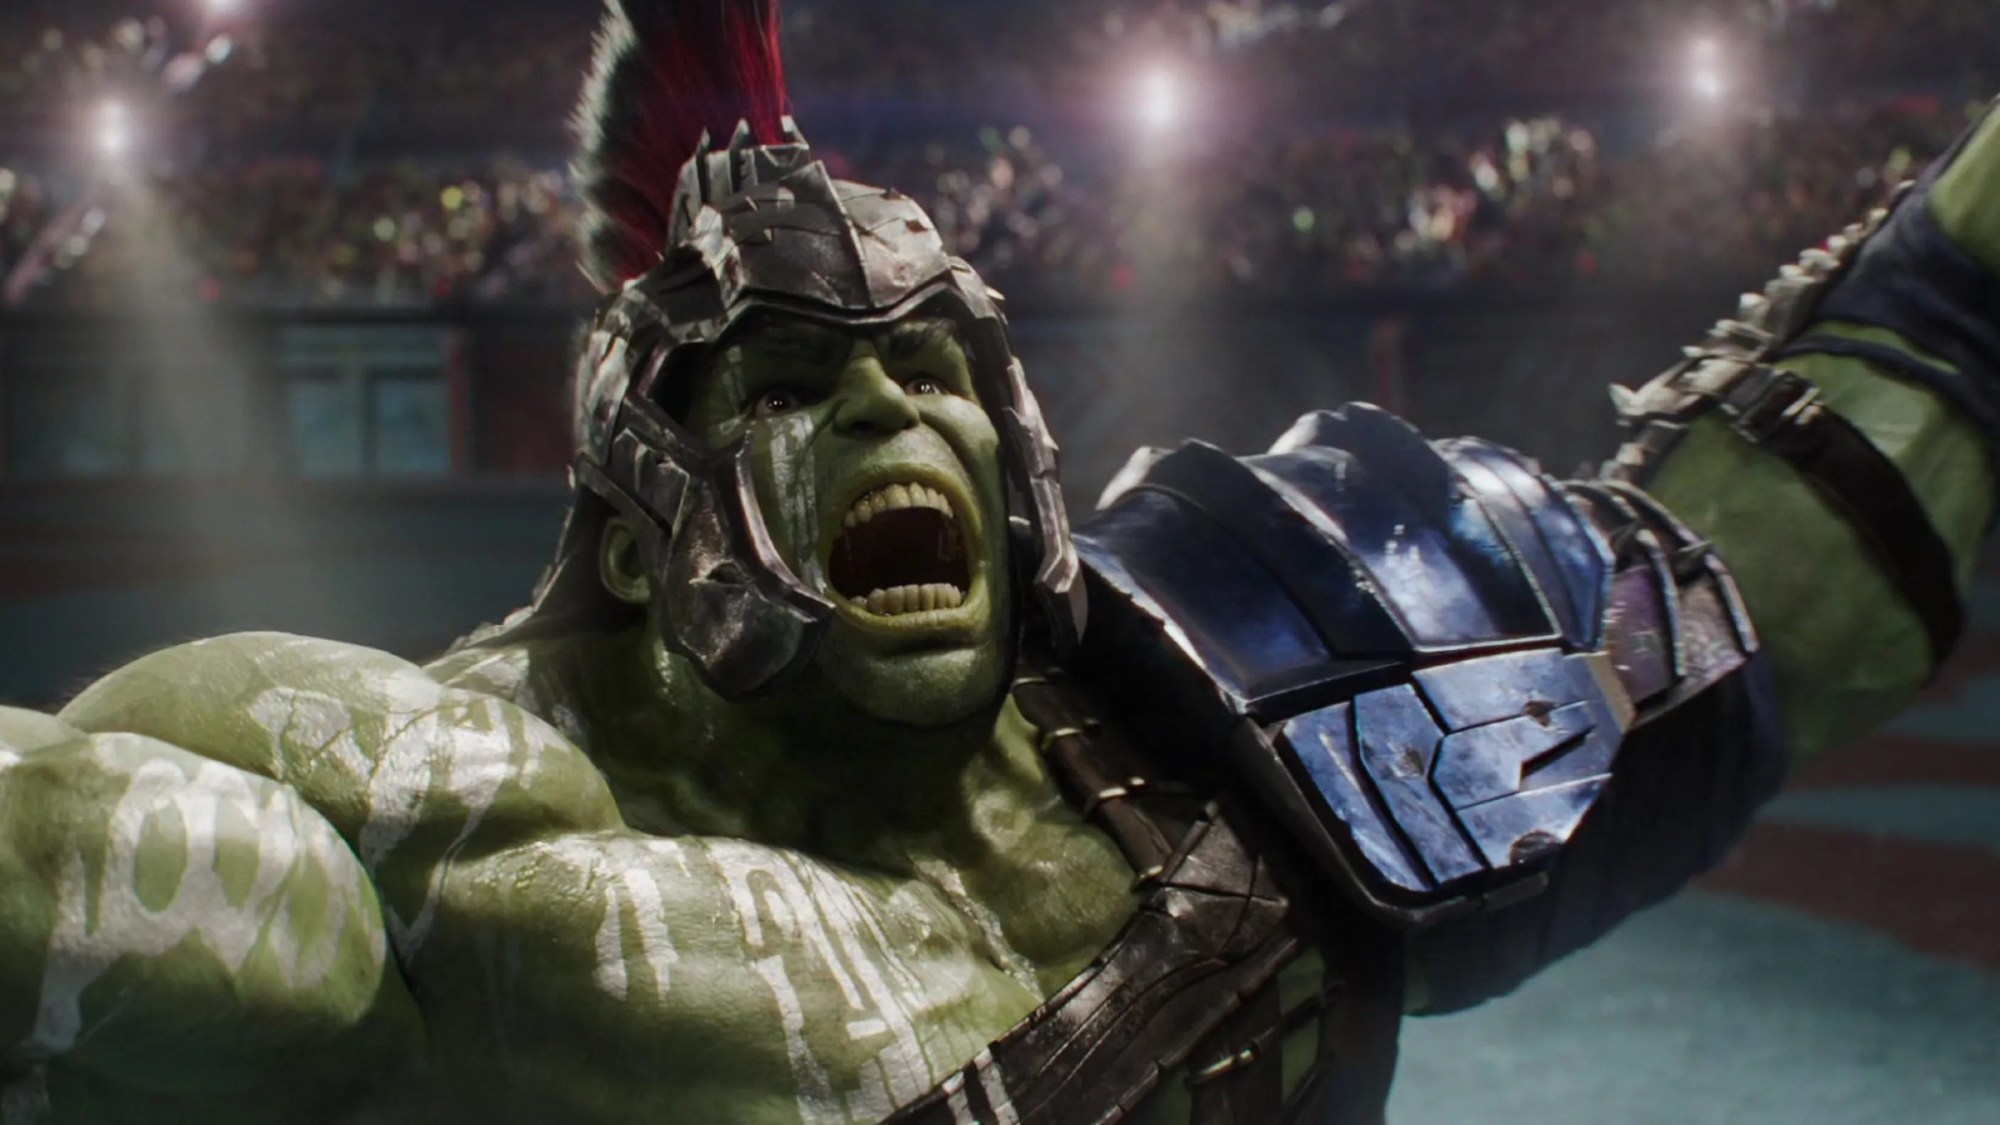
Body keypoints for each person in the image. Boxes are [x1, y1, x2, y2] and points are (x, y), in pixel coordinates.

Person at [3, 2, 1997, 1122]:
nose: (896, 414)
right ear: (638, 516)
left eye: (936, 368)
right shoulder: (411, 813)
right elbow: (92, 873)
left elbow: (1802, 545)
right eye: (799, 381)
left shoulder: (1280, 692)